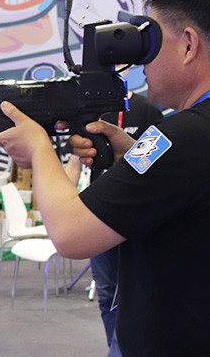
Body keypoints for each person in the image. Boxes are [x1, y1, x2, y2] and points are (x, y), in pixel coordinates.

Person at [0, 0, 210, 357]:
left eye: (150, 43)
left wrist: (39, 147)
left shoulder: (181, 137)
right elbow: (200, 193)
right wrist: (131, 153)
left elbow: (70, 235)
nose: (141, 63)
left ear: (188, 45)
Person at [62, 91, 164, 352]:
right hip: (101, 216)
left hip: (140, 218)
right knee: (107, 293)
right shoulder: (90, 110)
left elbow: (159, 161)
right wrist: (64, 205)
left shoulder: (145, 108)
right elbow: (74, 163)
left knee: (143, 293)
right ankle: (115, 348)